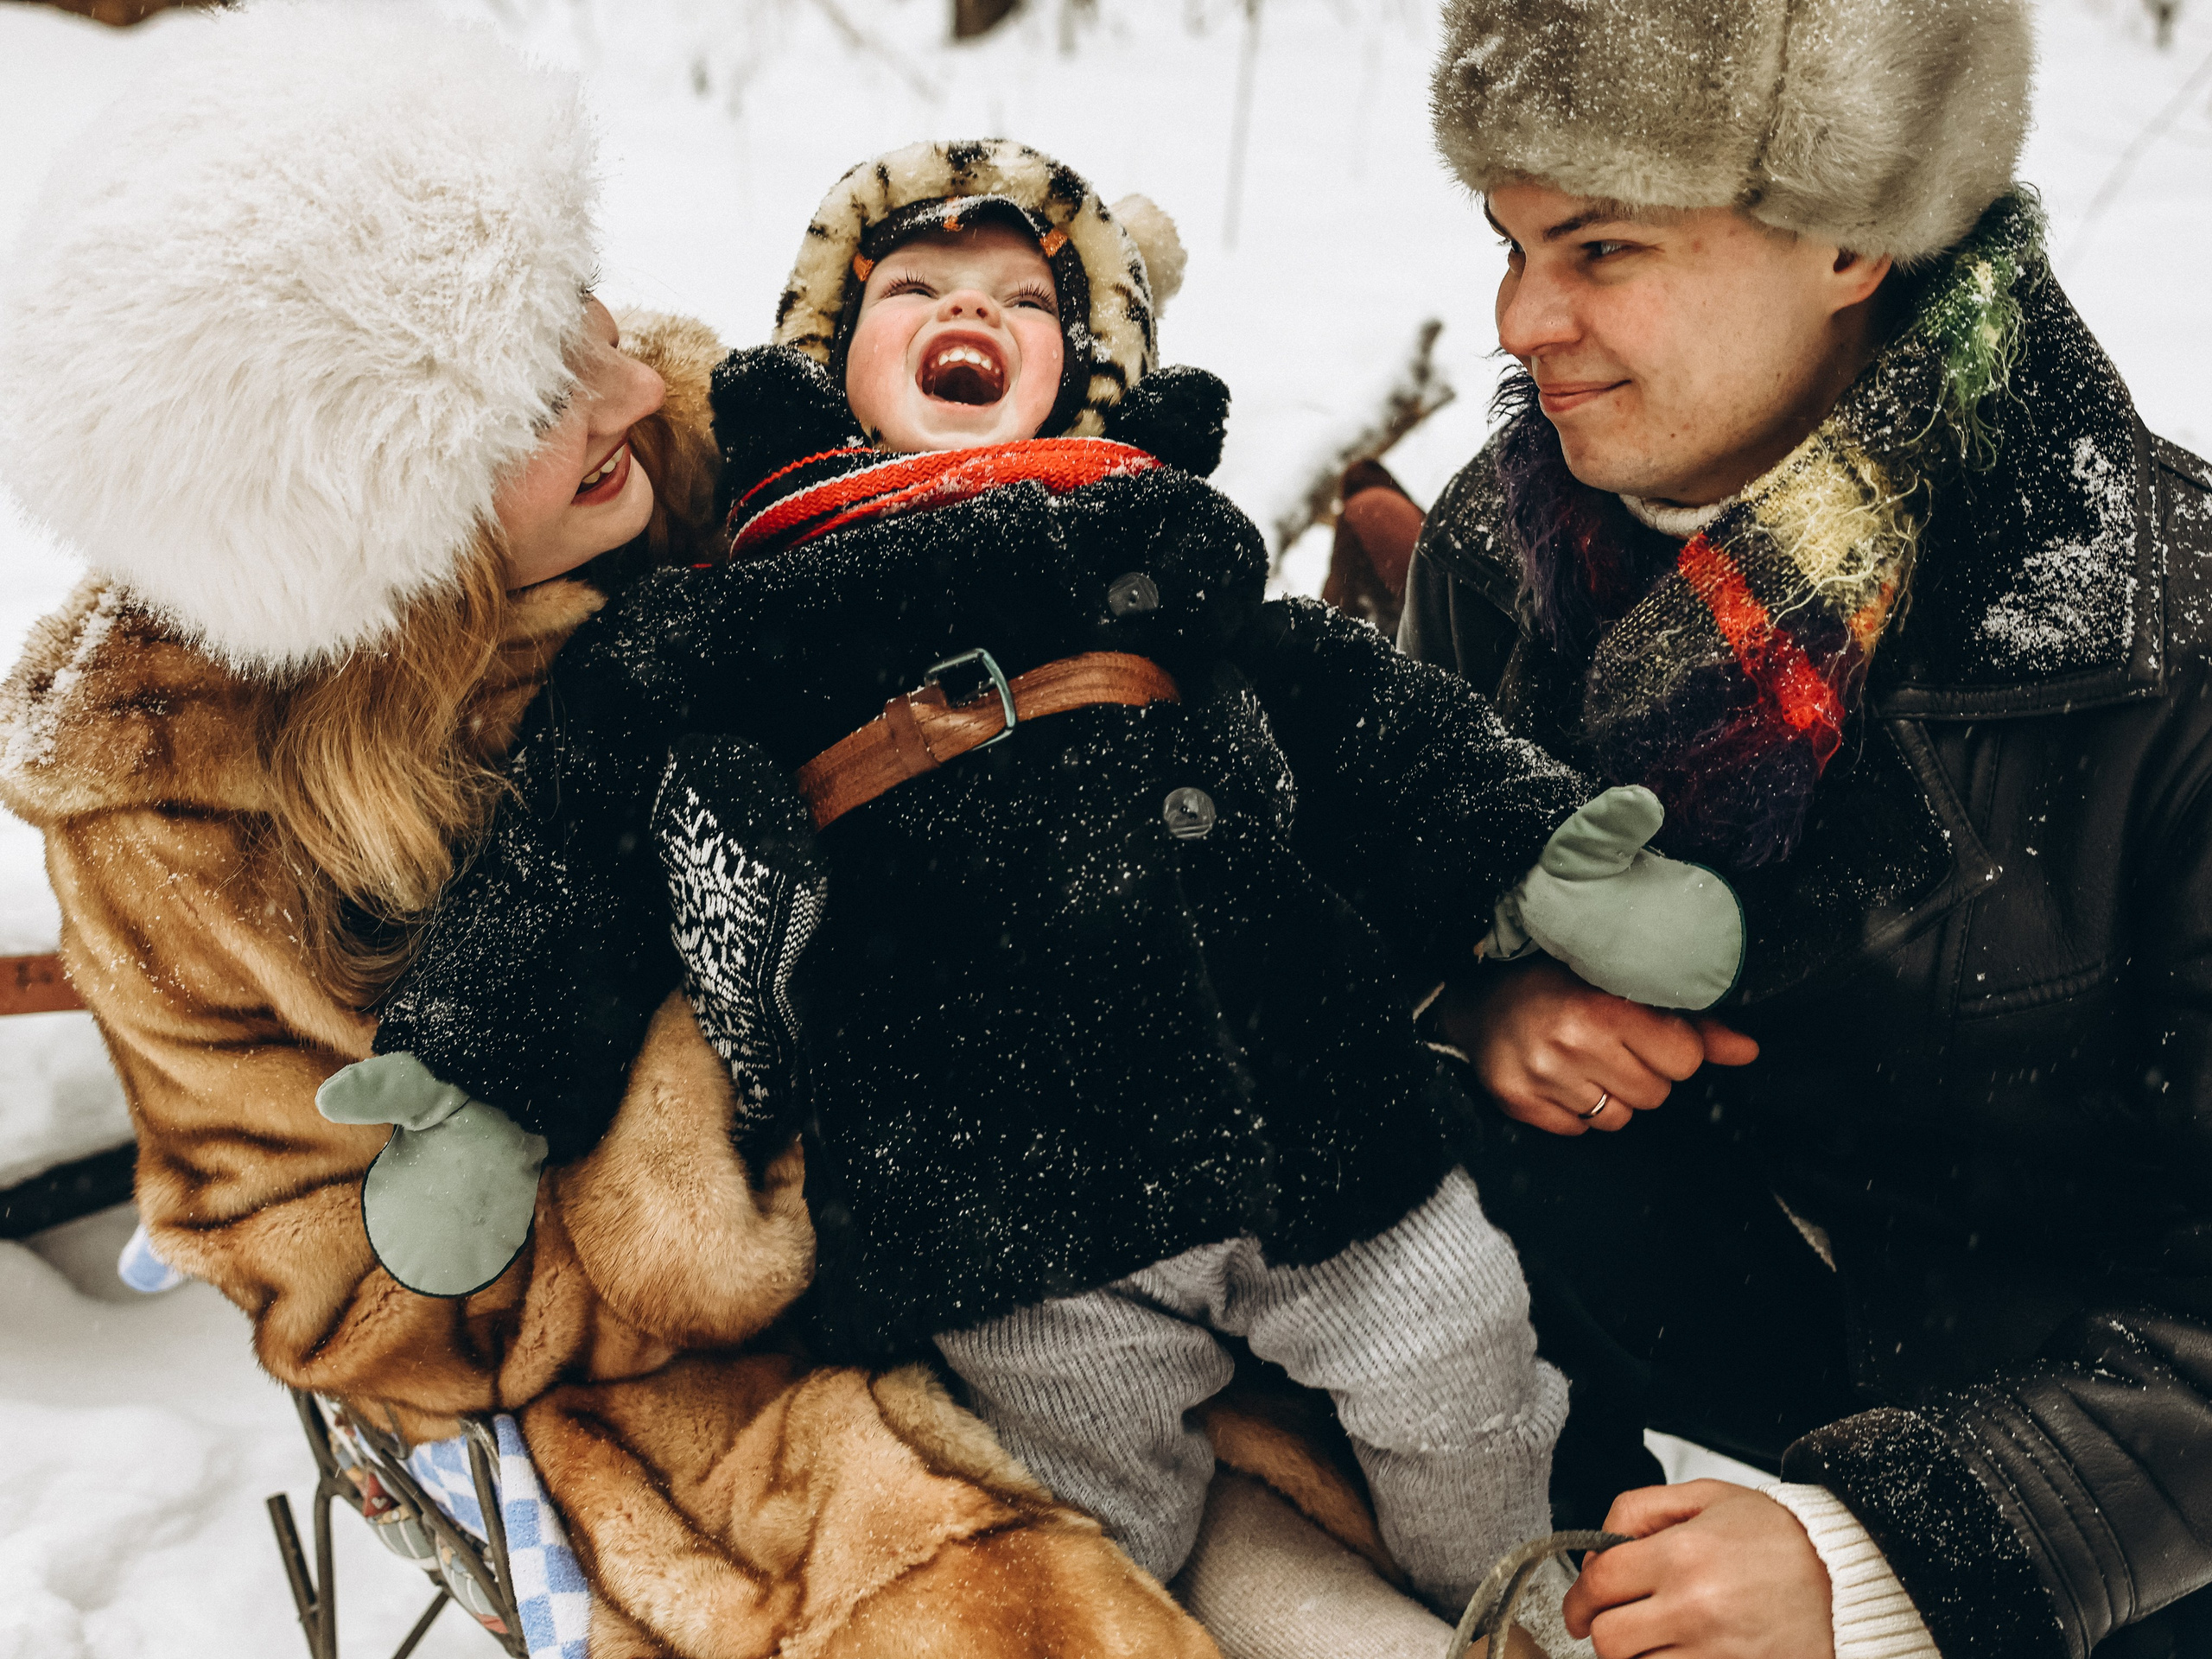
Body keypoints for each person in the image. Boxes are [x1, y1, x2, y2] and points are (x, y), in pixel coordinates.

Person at [318, 136, 1746, 1634]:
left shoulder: (1154, 550)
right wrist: (480, 1072)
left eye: (1024, 296)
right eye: (916, 286)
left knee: (1468, 1385)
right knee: (1086, 1538)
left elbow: (1358, 712)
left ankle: (1515, 1620)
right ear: (826, 362)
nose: (972, 310)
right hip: (1005, 1195)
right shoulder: (739, 613)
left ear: (1090, 372)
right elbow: (580, 838)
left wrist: (1538, 849)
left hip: (1316, 1123)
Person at [0, 14, 1241, 1656]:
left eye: (578, 308)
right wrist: (716, 1136)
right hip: (684, 1364)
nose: (637, 382)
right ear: (382, 513)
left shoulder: (693, 443)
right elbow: (371, 1304)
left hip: (1055, 1125)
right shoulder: (183, 816)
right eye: (530, 389)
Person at [1402, 0, 2212, 1655]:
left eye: (1601, 247)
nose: (1519, 320)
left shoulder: (2167, 640)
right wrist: (1472, 1006)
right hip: (1592, 1426)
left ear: (1850, 235)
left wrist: (1887, 1559)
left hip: (2098, 1527)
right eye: (1508, 243)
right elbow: (1375, 918)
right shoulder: (1504, 546)